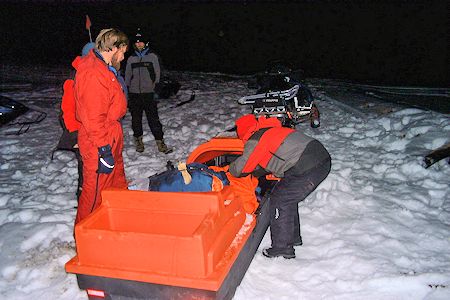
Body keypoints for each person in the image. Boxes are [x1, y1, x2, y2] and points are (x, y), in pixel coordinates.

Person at [229, 114, 331, 259]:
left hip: (307, 165)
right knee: (287, 197)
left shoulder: (255, 139)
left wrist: (229, 170)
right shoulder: (270, 131)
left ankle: (282, 248)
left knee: (280, 199)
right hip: (320, 158)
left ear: (244, 131)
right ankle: (293, 238)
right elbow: (272, 157)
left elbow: (241, 168)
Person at [73, 28, 129, 225]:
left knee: (117, 184)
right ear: (113, 48)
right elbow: (93, 118)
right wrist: (103, 149)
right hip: (99, 141)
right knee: (95, 192)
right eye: (122, 51)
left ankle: (118, 221)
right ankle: (84, 232)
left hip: (111, 135)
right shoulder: (93, 73)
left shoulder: (104, 68)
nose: (123, 57)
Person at [54, 42, 95, 200]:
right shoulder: (74, 79)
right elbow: (67, 110)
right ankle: (83, 199)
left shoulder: (95, 75)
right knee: (85, 168)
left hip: (94, 132)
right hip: (80, 133)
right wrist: (74, 135)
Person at [125, 28, 172, 154]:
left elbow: (158, 75)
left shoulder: (153, 57)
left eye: (141, 42)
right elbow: (127, 77)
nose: (138, 44)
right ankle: (138, 142)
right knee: (136, 120)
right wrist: (127, 92)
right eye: (136, 42)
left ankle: (160, 143)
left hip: (149, 94)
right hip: (134, 94)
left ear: (146, 43)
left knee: (153, 120)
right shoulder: (131, 59)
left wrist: (156, 90)